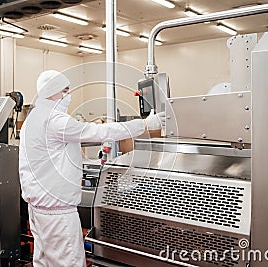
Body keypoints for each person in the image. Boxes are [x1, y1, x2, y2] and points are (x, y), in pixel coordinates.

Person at [19, 70, 164, 267]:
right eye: (65, 90)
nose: (68, 95)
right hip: (58, 214)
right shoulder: (54, 120)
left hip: (37, 209)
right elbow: (97, 132)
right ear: (52, 91)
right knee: (68, 262)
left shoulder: (33, 118)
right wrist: (145, 124)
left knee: (44, 262)